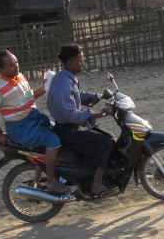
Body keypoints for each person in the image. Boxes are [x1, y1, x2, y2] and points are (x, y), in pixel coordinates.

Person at [0, 49, 66, 194]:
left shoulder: (20, 77)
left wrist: (45, 88)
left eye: (16, 62)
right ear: (1, 69)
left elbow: (30, 97)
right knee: (53, 141)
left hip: (34, 119)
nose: (16, 66)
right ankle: (51, 180)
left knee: (63, 130)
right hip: (21, 128)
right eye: (11, 65)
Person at [46, 43, 115, 197]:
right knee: (106, 142)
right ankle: (95, 184)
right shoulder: (64, 82)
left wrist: (100, 96)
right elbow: (70, 113)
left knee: (109, 137)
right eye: (80, 60)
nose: (83, 63)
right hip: (69, 129)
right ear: (70, 61)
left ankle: (94, 178)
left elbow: (79, 96)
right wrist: (97, 114)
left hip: (71, 126)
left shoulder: (66, 77)